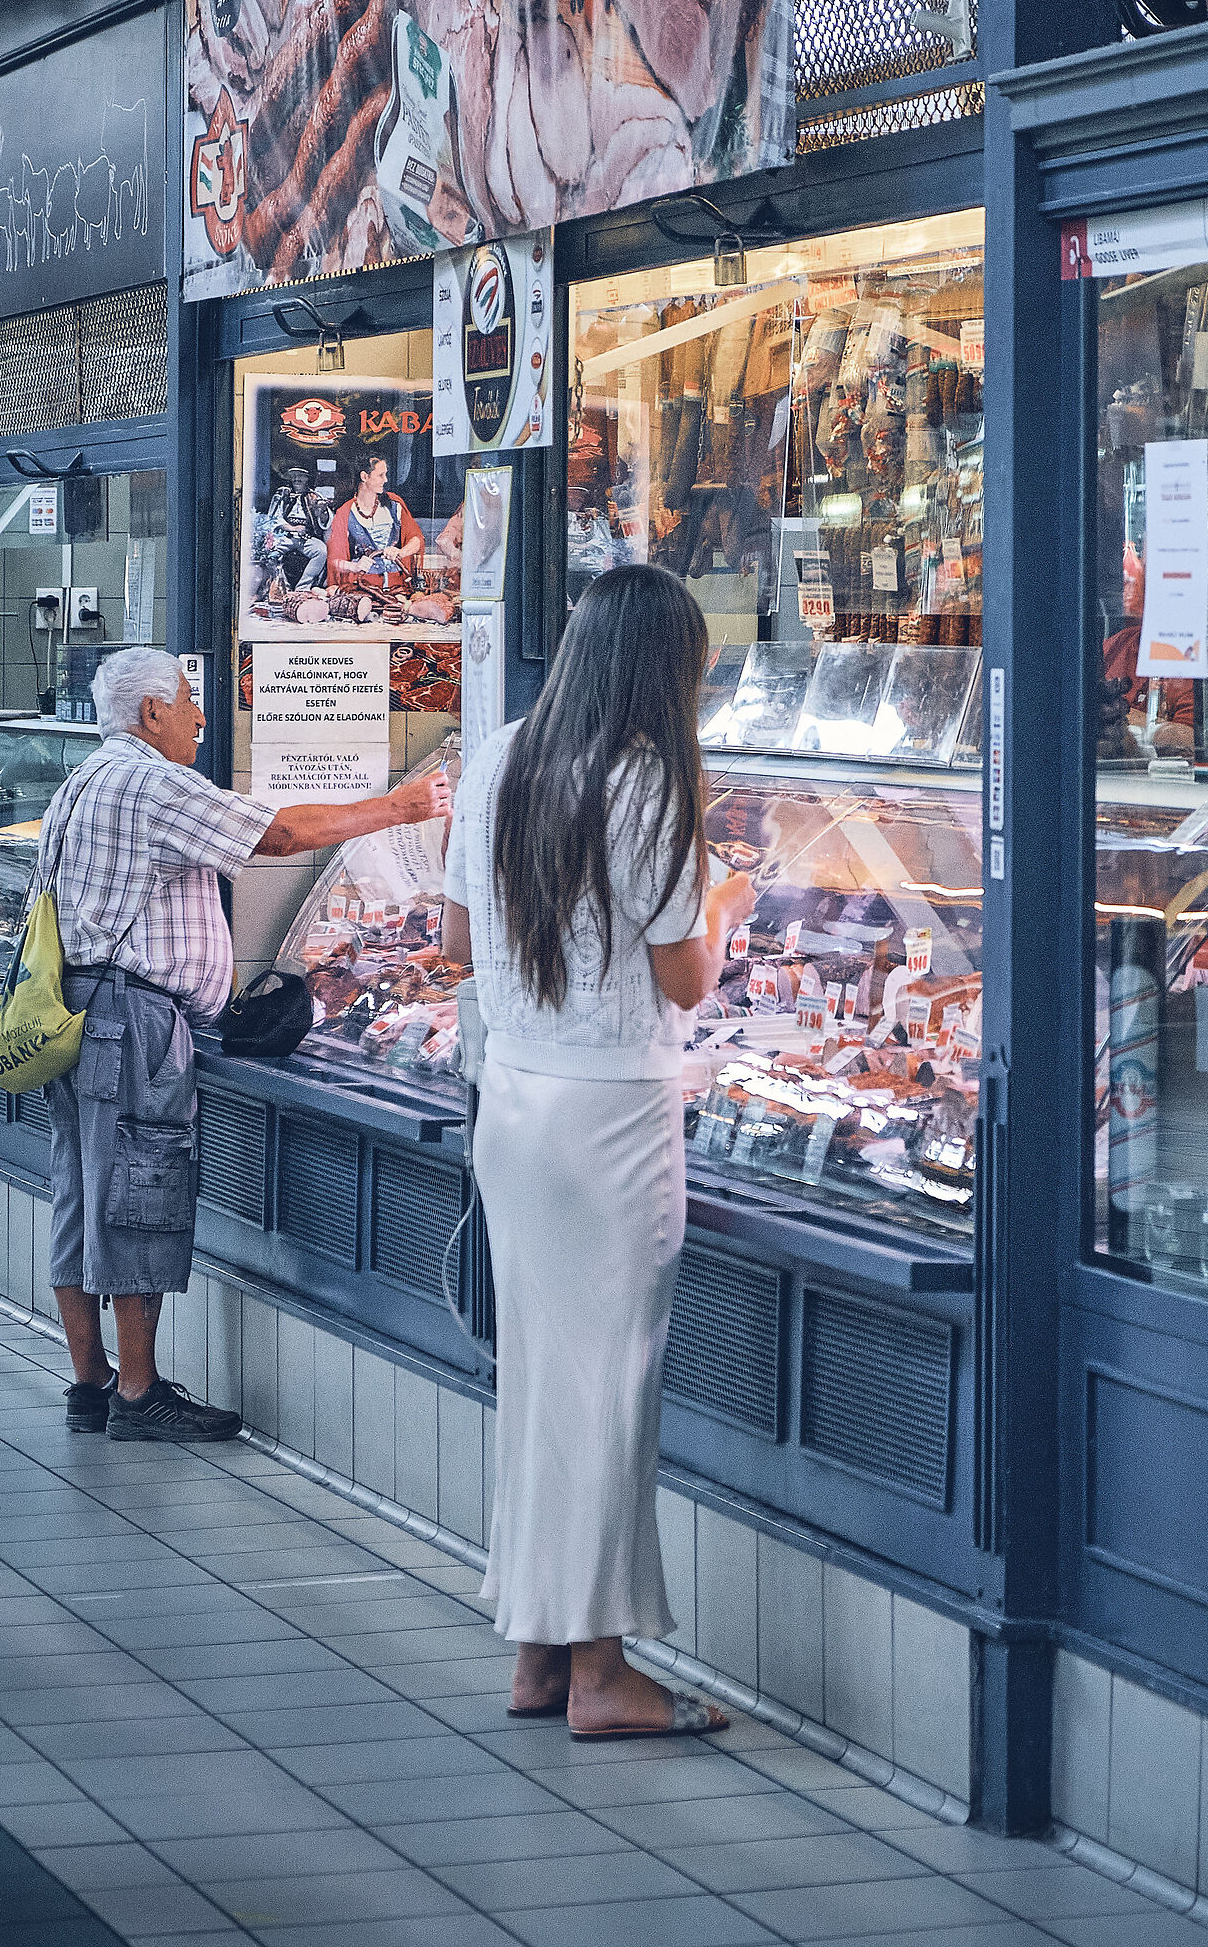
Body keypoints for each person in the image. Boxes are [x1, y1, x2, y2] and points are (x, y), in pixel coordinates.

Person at [440, 566, 756, 1738]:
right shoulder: (650, 785)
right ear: (666, 668)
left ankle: (536, 1651)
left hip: (515, 1108)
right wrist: (726, 906)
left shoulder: (500, 759)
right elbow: (684, 976)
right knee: (607, 1395)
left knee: (541, 1389)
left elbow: (458, 942)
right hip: (615, 1118)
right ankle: (601, 1675)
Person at [40, 646, 451, 1443]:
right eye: (189, 700)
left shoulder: (83, 780)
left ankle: (89, 1386)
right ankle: (137, 1393)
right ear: (151, 712)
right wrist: (398, 809)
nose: (200, 715)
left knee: (82, 1197)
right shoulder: (150, 780)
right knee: (136, 1193)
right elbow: (280, 833)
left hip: (79, 1015)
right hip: (133, 1020)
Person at [326, 450, 423, 598]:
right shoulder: (345, 513)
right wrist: (355, 566)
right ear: (364, 476)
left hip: (398, 585)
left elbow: (417, 539)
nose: (385, 480)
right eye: (380, 475)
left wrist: (400, 552)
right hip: (361, 587)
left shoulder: (394, 504)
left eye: (385, 474)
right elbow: (334, 561)